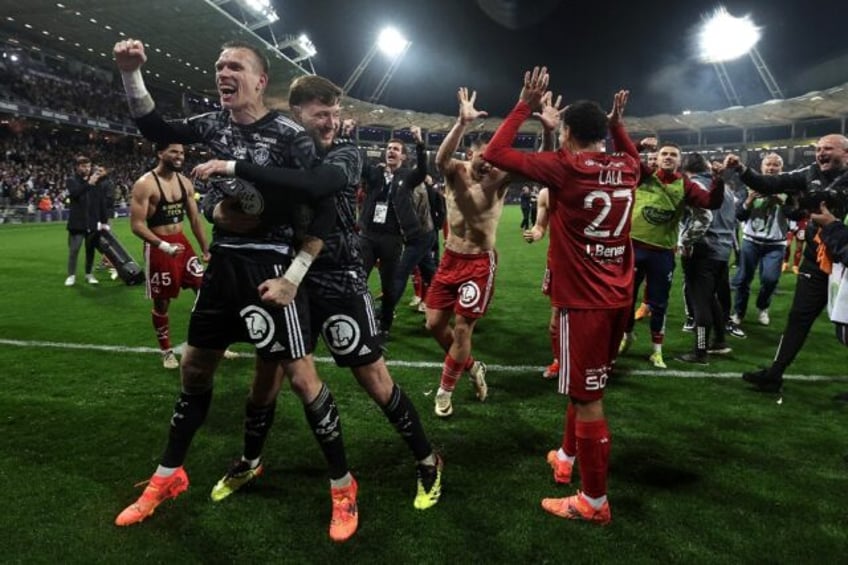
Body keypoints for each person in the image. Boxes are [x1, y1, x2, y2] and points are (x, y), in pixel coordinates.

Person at [112, 38, 359, 542]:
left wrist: (294, 273)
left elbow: (322, 198)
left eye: (235, 66)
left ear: (261, 80)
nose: (223, 72)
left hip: (269, 264)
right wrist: (130, 73)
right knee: (195, 366)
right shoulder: (212, 124)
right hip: (223, 263)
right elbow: (156, 128)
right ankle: (169, 475)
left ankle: (343, 485)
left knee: (302, 378)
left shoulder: (290, 133)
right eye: (219, 64)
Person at [193, 74, 444, 513]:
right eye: (319, 114)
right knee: (265, 378)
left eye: (333, 113)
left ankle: (428, 459)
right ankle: (250, 460)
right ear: (297, 114)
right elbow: (229, 196)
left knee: (375, 381)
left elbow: (313, 188)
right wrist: (214, 204)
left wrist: (234, 168)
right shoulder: (280, 153)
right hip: (286, 277)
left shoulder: (346, 153)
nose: (330, 122)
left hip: (339, 277)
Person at [483, 67, 640, 525]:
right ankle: (567, 456)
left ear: (567, 132)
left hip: (585, 302)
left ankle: (593, 501)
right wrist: (618, 125)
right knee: (585, 391)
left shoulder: (566, 167)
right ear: (603, 134)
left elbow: (496, 151)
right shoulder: (628, 167)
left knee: (587, 398)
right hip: (618, 297)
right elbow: (631, 157)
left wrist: (525, 106)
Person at [724, 134, 848, 392]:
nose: (820, 153)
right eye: (819, 148)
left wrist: (801, 202)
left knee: (845, 329)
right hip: (817, 260)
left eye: (828, 148)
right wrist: (742, 170)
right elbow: (770, 183)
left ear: (846, 153)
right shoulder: (809, 172)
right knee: (798, 317)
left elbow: (821, 199)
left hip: (845, 262)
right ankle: (774, 374)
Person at [427, 87, 517, 417]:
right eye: (482, 159)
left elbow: (539, 167)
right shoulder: (455, 173)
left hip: (479, 262)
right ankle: (472, 366)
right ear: (471, 154)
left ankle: (444, 391)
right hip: (450, 258)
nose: (487, 166)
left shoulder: (500, 180)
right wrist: (461, 122)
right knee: (434, 325)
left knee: (463, 328)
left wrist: (549, 133)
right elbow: (439, 159)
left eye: (493, 160)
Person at [618, 139, 725, 369]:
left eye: (673, 155)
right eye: (664, 153)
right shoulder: (645, 175)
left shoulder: (686, 185)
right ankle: (627, 334)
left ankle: (657, 351)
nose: (667, 157)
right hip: (634, 248)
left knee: (659, 304)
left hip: (662, 253)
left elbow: (710, 203)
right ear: (656, 158)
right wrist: (639, 147)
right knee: (624, 300)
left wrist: (718, 180)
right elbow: (624, 158)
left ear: (679, 160)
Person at [129, 143, 210, 369]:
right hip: (159, 247)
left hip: (182, 244)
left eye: (182, 152)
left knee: (206, 292)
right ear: (160, 153)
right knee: (162, 302)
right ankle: (166, 351)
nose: (179, 156)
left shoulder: (184, 182)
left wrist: (205, 248)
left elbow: (194, 219)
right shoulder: (145, 184)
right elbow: (136, 225)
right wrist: (164, 246)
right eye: (174, 151)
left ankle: (210, 344)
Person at [359, 127, 428, 337]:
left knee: (389, 286)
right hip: (368, 236)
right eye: (389, 148)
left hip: (392, 238)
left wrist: (419, 143)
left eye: (396, 149)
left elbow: (423, 171)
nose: (391, 151)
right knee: (357, 279)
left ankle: (385, 326)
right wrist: (346, 133)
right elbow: (360, 165)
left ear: (403, 156)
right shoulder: (375, 173)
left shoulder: (407, 177)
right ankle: (359, 318)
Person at [675, 153, 734, 364]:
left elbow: (704, 218)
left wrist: (686, 242)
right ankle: (720, 341)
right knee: (710, 298)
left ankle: (700, 351)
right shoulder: (724, 188)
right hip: (722, 251)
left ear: (685, 167)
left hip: (702, 250)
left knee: (699, 301)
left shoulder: (693, 186)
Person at [730, 153, 791, 327]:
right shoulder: (749, 186)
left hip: (775, 244)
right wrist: (749, 200)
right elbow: (739, 216)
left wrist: (781, 201)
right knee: (743, 279)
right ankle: (739, 312)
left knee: (770, 279)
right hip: (751, 241)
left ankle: (763, 307)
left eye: (775, 165)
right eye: (768, 164)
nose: (771, 168)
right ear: (762, 167)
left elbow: (797, 213)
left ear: (781, 168)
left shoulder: (788, 188)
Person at [522, 186, 559, 379]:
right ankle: (558, 361)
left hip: (590, 262)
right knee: (556, 323)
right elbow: (540, 226)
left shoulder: (589, 183)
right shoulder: (546, 193)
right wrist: (535, 233)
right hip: (559, 263)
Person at [65, 156, 111, 286]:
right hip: (77, 223)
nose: (86, 169)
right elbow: (75, 194)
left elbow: (101, 203)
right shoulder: (71, 180)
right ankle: (71, 275)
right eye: (83, 166)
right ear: (77, 167)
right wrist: (88, 184)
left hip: (92, 222)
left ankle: (89, 274)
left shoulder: (97, 183)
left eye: (88, 166)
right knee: (74, 250)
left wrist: (104, 221)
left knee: (90, 250)